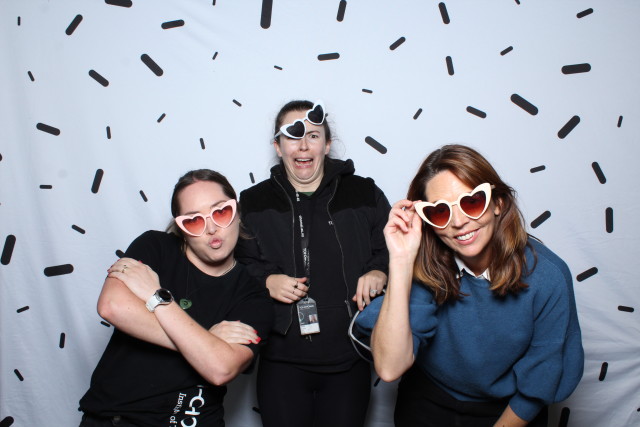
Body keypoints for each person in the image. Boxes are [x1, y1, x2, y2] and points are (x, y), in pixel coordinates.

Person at [354, 144, 584, 426]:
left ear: (498, 203)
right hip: (427, 400)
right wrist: (401, 260)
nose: (459, 222)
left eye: (472, 202)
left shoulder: (548, 276)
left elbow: (540, 380)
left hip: (508, 409)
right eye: (440, 212)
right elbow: (390, 368)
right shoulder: (427, 267)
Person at [235, 100, 391, 426]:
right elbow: (236, 263)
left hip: (350, 356)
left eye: (313, 136)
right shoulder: (252, 201)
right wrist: (266, 280)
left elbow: (394, 248)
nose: (303, 145)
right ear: (278, 147)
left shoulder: (364, 193)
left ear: (327, 144)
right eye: (292, 137)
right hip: (281, 361)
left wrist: (379, 271)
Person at [78, 169, 274, 427]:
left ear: (237, 212)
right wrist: (208, 339)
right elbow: (112, 307)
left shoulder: (254, 296)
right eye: (194, 220)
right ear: (181, 228)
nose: (211, 228)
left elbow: (220, 368)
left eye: (220, 212)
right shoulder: (154, 246)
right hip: (114, 419)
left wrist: (155, 296)